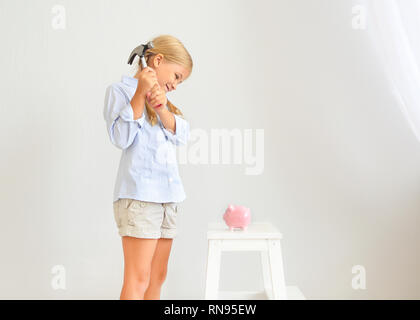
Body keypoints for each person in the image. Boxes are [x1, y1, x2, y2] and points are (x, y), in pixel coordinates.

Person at [103, 34, 193, 300]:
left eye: (181, 81)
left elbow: (182, 135)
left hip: (169, 199)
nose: (176, 85)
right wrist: (141, 93)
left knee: (158, 276)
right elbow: (121, 138)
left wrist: (162, 107)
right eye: (176, 76)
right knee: (138, 277)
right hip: (140, 198)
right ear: (158, 60)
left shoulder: (166, 103)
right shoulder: (119, 92)